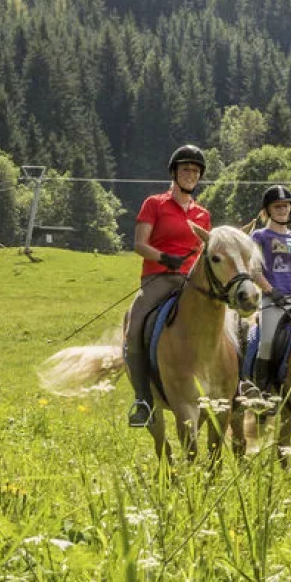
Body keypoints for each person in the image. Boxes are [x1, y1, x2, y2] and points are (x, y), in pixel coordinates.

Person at [123, 144, 211, 428]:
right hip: (159, 278)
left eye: (196, 171)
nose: (191, 174)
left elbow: (203, 252)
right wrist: (164, 257)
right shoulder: (154, 204)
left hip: (191, 282)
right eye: (186, 168)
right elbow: (139, 244)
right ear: (174, 172)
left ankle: (231, 389)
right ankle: (142, 399)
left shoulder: (202, 215)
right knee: (135, 326)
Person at [244, 184, 291, 395]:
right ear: (267, 210)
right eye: (278, 206)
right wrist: (270, 291)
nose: (283, 210)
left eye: (286, 206)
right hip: (273, 299)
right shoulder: (259, 236)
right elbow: (254, 269)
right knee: (267, 340)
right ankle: (262, 390)